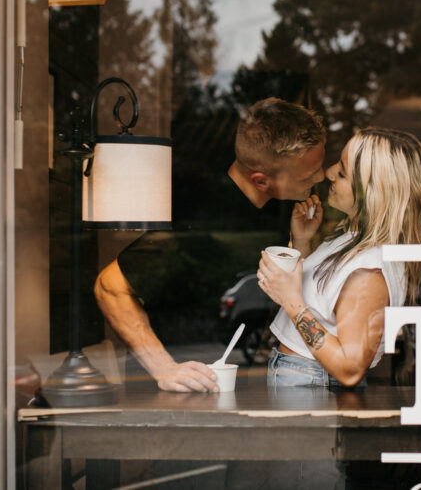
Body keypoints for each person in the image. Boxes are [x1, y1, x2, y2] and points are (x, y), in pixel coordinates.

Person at [94, 98, 326, 392]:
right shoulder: (204, 215)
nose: (321, 177)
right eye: (309, 174)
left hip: (237, 382)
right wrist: (164, 368)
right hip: (183, 391)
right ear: (261, 181)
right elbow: (109, 286)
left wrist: (302, 240)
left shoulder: (273, 202)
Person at [257, 127, 421, 388]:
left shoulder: (369, 273)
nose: (328, 174)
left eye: (342, 172)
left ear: (372, 193)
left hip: (310, 382)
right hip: (305, 378)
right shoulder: (354, 239)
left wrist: (290, 301)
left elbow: (350, 369)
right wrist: (303, 241)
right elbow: (322, 301)